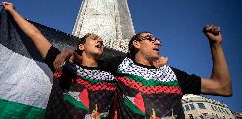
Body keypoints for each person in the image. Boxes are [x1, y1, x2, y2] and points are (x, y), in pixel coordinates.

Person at [56, 26, 232, 118]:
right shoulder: (120, 65)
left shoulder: (172, 74)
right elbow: (89, 64)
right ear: (136, 44)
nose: (157, 42)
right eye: (150, 38)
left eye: (157, 39)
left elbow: (222, 87)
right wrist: (72, 53)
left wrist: (215, 44)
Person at [0, 2, 117, 119]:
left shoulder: (112, 75)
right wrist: (12, 10)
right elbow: (34, 34)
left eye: (101, 41)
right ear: (81, 46)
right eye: (94, 38)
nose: (99, 42)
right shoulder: (63, 64)